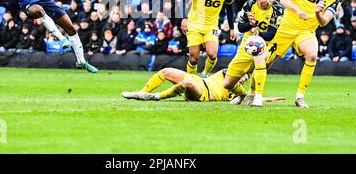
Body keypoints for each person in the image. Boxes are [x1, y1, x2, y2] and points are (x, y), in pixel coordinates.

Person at [254, 0, 342, 108]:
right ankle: (254, 95)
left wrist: (318, 13)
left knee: (312, 55)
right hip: (285, 26)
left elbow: (324, 22)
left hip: (306, 31)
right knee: (264, 60)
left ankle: (300, 97)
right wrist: (298, 10)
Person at [223, 0, 284, 106]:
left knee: (259, 57)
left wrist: (258, 33)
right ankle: (244, 95)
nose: (268, 1)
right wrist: (251, 24)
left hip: (269, 44)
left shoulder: (278, 10)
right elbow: (240, 27)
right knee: (228, 84)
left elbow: (271, 34)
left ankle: (257, 96)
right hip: (248, 42)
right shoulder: (249, 5)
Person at [181, 0, 236, 78]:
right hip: (194, 24)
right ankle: (190, 81)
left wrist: (232, 28)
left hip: (211, 26)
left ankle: (205, 76)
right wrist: (184, 18)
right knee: (194, 58)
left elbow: (230, 9)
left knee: (212, 54)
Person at [121, 67, 284, 103]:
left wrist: (268, 99)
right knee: (165, 72)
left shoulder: (238, 93)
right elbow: (232, 72)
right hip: (199, 79)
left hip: (203, 93)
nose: (242, 79)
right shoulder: (227, 73)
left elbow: (252, 97)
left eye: (245, 79)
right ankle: (142, 92)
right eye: (242, 76)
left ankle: (154, 97)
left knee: (187, 83)